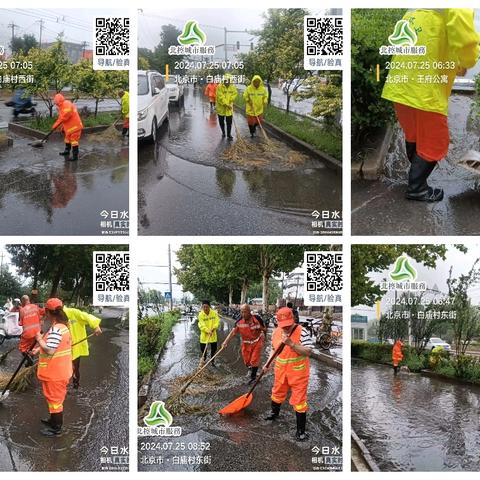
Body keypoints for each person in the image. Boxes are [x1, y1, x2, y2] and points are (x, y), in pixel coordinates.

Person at [382, 9, 480, 202]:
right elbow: (467, 44)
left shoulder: (413, 10)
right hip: (425, 91)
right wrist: (466, 62)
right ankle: (417, 188)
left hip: (400, 86)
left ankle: (415, 176)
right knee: (436, 142)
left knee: (415, 135)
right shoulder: (456, 8)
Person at [265, 307, 313, 441]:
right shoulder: (275, 333)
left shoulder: (302, 331)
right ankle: (274, 414)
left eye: (288, 325)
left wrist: (292, 344)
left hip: (298, 373)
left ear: (293, 320)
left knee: (299, 401)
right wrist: (267, 364)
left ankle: (300, 431)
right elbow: (273, 350)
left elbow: (308, 351)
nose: (285, 328)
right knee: (277, 393)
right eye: (283, 325)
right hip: (281, 371)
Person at [33, 298, 73, 437]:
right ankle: (52, 420)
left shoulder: (56, 329)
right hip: (59, 371)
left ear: (49, 313)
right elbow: (53, 345)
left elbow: (50, 350)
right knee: (52, 399)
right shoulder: (62, 327)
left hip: (55, 373)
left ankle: (56, 428)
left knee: (55, 401)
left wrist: (38, 339)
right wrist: (39, 349)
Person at [60, 300, 102, 389]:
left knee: (75, 368)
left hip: (75, 347)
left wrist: (96, 326)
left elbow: (87, 316)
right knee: (62, 368)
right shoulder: (56, 318)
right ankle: (63, 387)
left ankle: (76, 385)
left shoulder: (73, 313)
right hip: (63, 348)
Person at [222, 304, 266, 384]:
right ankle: (251, 369)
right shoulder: (239, 321)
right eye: (241, 312)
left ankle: (253, 378)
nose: (243, 314)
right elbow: (233, 333)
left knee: (254, 360)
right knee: (247, 361)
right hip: (246, 343)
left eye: (245, 312)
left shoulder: (257, 319)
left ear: (249, 312)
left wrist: (263, 335)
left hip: (257, 341)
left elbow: (264, 328)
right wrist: (225, 342)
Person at [52, 93, 84, 161]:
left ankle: (75, 156)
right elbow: (63, 119)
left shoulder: (66, 105)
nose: (56, 104)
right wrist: (62, 127)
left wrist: (55, 126)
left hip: (75, 126)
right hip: (70, 127)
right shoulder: (62, 105)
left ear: (59, 101)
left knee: (74, 141)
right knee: (67, 139)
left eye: (56, 103)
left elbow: (63, 118)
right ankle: (67, 151)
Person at [198, 300, 220, 365]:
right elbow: (201, 325)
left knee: (214, 349)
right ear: (202, 307)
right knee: (203, 349)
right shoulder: (200, 315)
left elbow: (217, 322)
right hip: (204, 335)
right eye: (204, 307)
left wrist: (213, 328)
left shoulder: (214, 313)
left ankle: (212, 360)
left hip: (213, 334)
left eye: (207, 307)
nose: (205, 308)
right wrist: (207, 331)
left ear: (209, 307)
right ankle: (204, 359)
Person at [215, 75, 238, 140]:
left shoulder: (233, 87)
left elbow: (235, 94)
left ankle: (229, 134)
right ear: (223, 80)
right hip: (221, 107)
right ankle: (223, 132)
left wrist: (230, 100)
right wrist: (226, 104)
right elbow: (220, 97)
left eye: (228, 81)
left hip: (229, 108)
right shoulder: (219, 87)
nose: (227, 82)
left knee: (229, 122)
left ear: (230, 81)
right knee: (221, 121)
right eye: (225, 81)